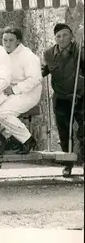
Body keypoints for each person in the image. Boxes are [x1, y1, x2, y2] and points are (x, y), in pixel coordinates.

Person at [42, 23, 84, 176]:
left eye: (65, 35)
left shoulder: (80, 51)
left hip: (80, 97)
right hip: (60, 99)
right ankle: (68, 164)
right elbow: (42, 72)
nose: (62, 39)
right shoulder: (48, 54)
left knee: (83, 132)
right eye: (58, 36)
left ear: (71, 36)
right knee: (64, 133)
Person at [0, 27, 42, 154]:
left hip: (29, 93)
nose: (7, 44)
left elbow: (35, 79)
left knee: (2, 113)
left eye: (11, 40)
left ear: (18, 41)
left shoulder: (28, 56)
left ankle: (28, 140)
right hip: (11, 92)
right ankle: (10, 139)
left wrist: (15, 89)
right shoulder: (3, 54)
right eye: (5, 40)